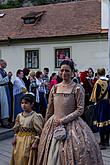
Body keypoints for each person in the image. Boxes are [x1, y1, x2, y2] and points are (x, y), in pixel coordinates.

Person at [37, 60, 103, 165]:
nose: (64, 73)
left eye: (67, 70)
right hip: (54, 124)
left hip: (73, 125)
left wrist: (63, 121)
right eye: (62, 70)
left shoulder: (77, 88)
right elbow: (50, 109)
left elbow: (80, 109)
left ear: (72, 72)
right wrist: (45, 126)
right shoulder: (55, 87)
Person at [10, 94, 44, 165]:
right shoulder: (19, 116)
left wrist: (36, 142)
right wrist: (15, 137)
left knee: (25, 156)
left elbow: (39, 131)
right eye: (22, 103)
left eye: (26, 103)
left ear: (32, 104)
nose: (23, 105)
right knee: (17, 156)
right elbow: (16, 129)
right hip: (19, 140)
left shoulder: (35, 116)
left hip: (29, 141)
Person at [90, 68, 110, 149]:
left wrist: (94, 101)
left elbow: (95, 94)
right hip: (108, 103)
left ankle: (102, 142)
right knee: (108, 122)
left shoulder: (98, 82)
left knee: (101, 122)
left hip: (101, 104)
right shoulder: (108, 81)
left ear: (98, 73)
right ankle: (107, 140)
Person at [0, 59, 12, 128]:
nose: (6, 65)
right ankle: (4, 122)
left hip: (5, 88)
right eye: (4, 64)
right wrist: (8, 76)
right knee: (4, 105)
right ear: (1, 64)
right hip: (1, 89)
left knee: (7, 104)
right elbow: (1, 81)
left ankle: (6, 121)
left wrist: (9, 77)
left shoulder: (3, 71)